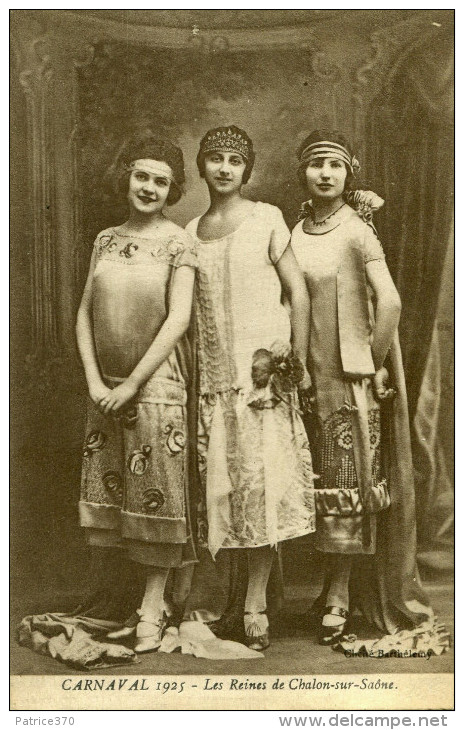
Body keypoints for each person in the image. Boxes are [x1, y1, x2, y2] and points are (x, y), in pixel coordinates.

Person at [290, 129, 433, 645]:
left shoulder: (356, 230)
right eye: (315, 165)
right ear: (302, 171)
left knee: (348, 483)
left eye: (335, 166)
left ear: (349, 173)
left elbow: (389, 302)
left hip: (347, 378)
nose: (325, 174)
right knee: (317, 483)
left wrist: (370, 361)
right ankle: (325, 586)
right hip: (304, 375)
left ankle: (339, 594)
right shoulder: (296, 229)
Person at [186, 125, 316, 650]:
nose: (224, 168)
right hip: (215, 383)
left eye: (234, 161)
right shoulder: (190, 230)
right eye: (214, 158)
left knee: (260, 490)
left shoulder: (266, 218)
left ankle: (256, 604)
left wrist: (295, 360)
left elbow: (298, 292)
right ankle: (225, 602)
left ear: (247, 169)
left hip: (261, 381)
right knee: (226, 494)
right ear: (202, 166)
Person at [76, 133, 198, 653]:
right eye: (141, 175)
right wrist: (95, 382)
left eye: (161, 181)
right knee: (117, 494)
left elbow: (179, 318)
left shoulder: (180, 243)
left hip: (156, 386)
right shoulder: (105, 239)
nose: (149, 187)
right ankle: (132, 602)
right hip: (105, 390)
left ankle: (152, 609)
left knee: (158, 497)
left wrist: (131, 383)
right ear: (126, 175)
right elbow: (83, 312)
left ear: (173, 190)